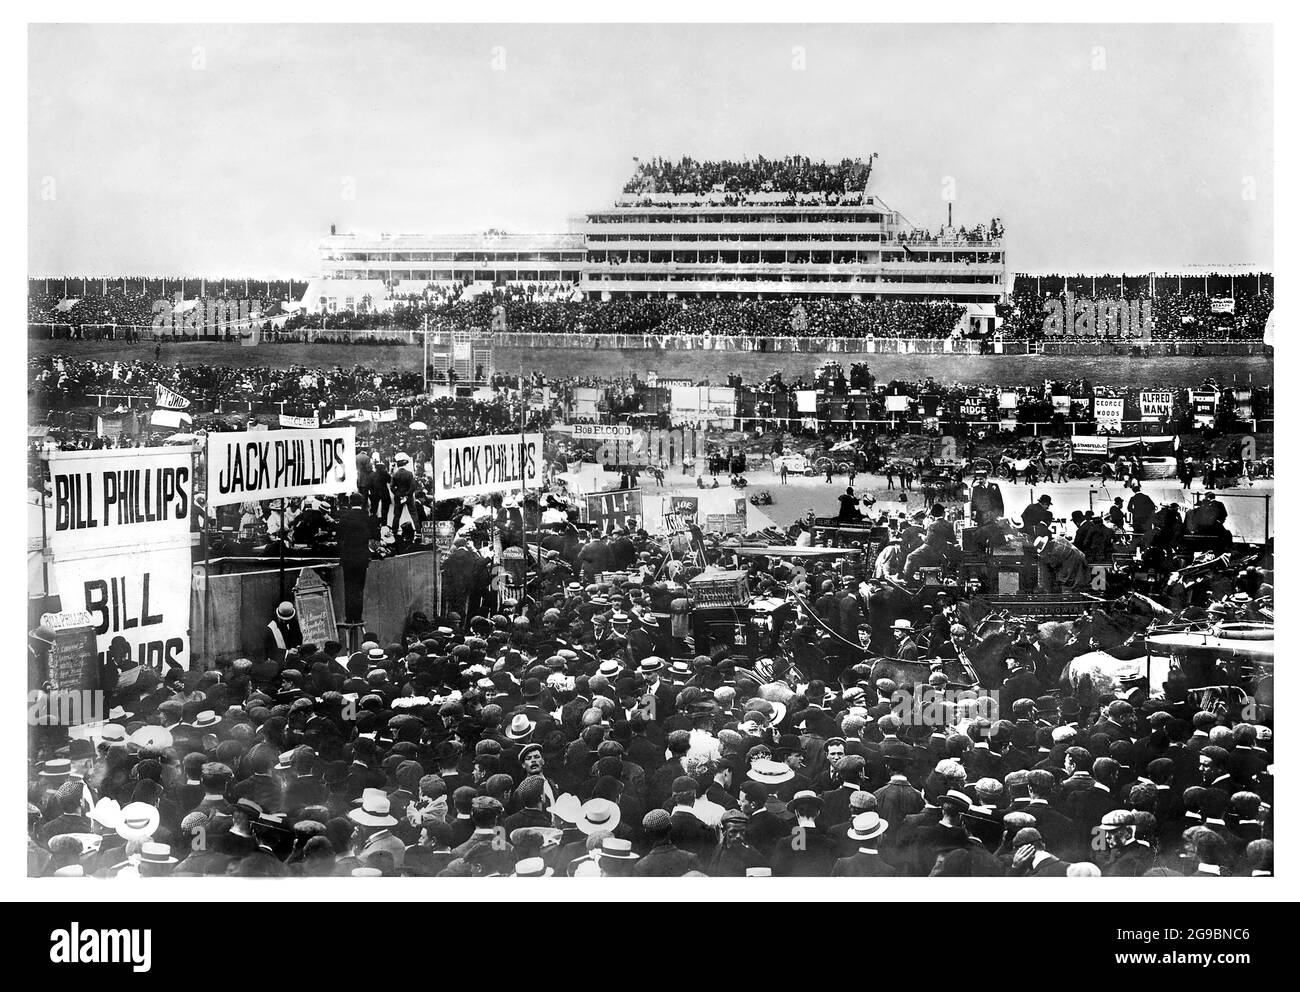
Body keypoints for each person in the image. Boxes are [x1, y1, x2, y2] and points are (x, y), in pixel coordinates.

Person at [336, 493, 373, 625]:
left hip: (348, 558)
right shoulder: (367, 517)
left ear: (350, 502)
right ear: (362, 502)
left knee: (348, 587)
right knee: (359, 588)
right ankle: (357, 616)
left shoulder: (345, 516)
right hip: (361, 558)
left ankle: (349, 617)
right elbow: (372, 536)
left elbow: (338, 537)